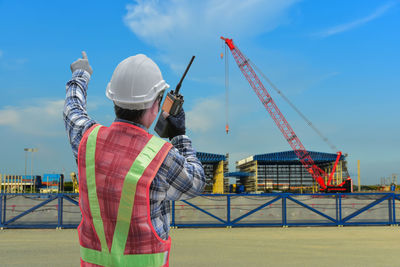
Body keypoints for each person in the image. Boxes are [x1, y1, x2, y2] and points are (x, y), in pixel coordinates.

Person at [63, 51, 205, 267]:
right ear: (156, 104)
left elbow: (72, 108)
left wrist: (81, 73)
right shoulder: (163, 156)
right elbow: (196, 182)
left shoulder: (87, 139)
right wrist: (179, 135)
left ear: (114, 100)